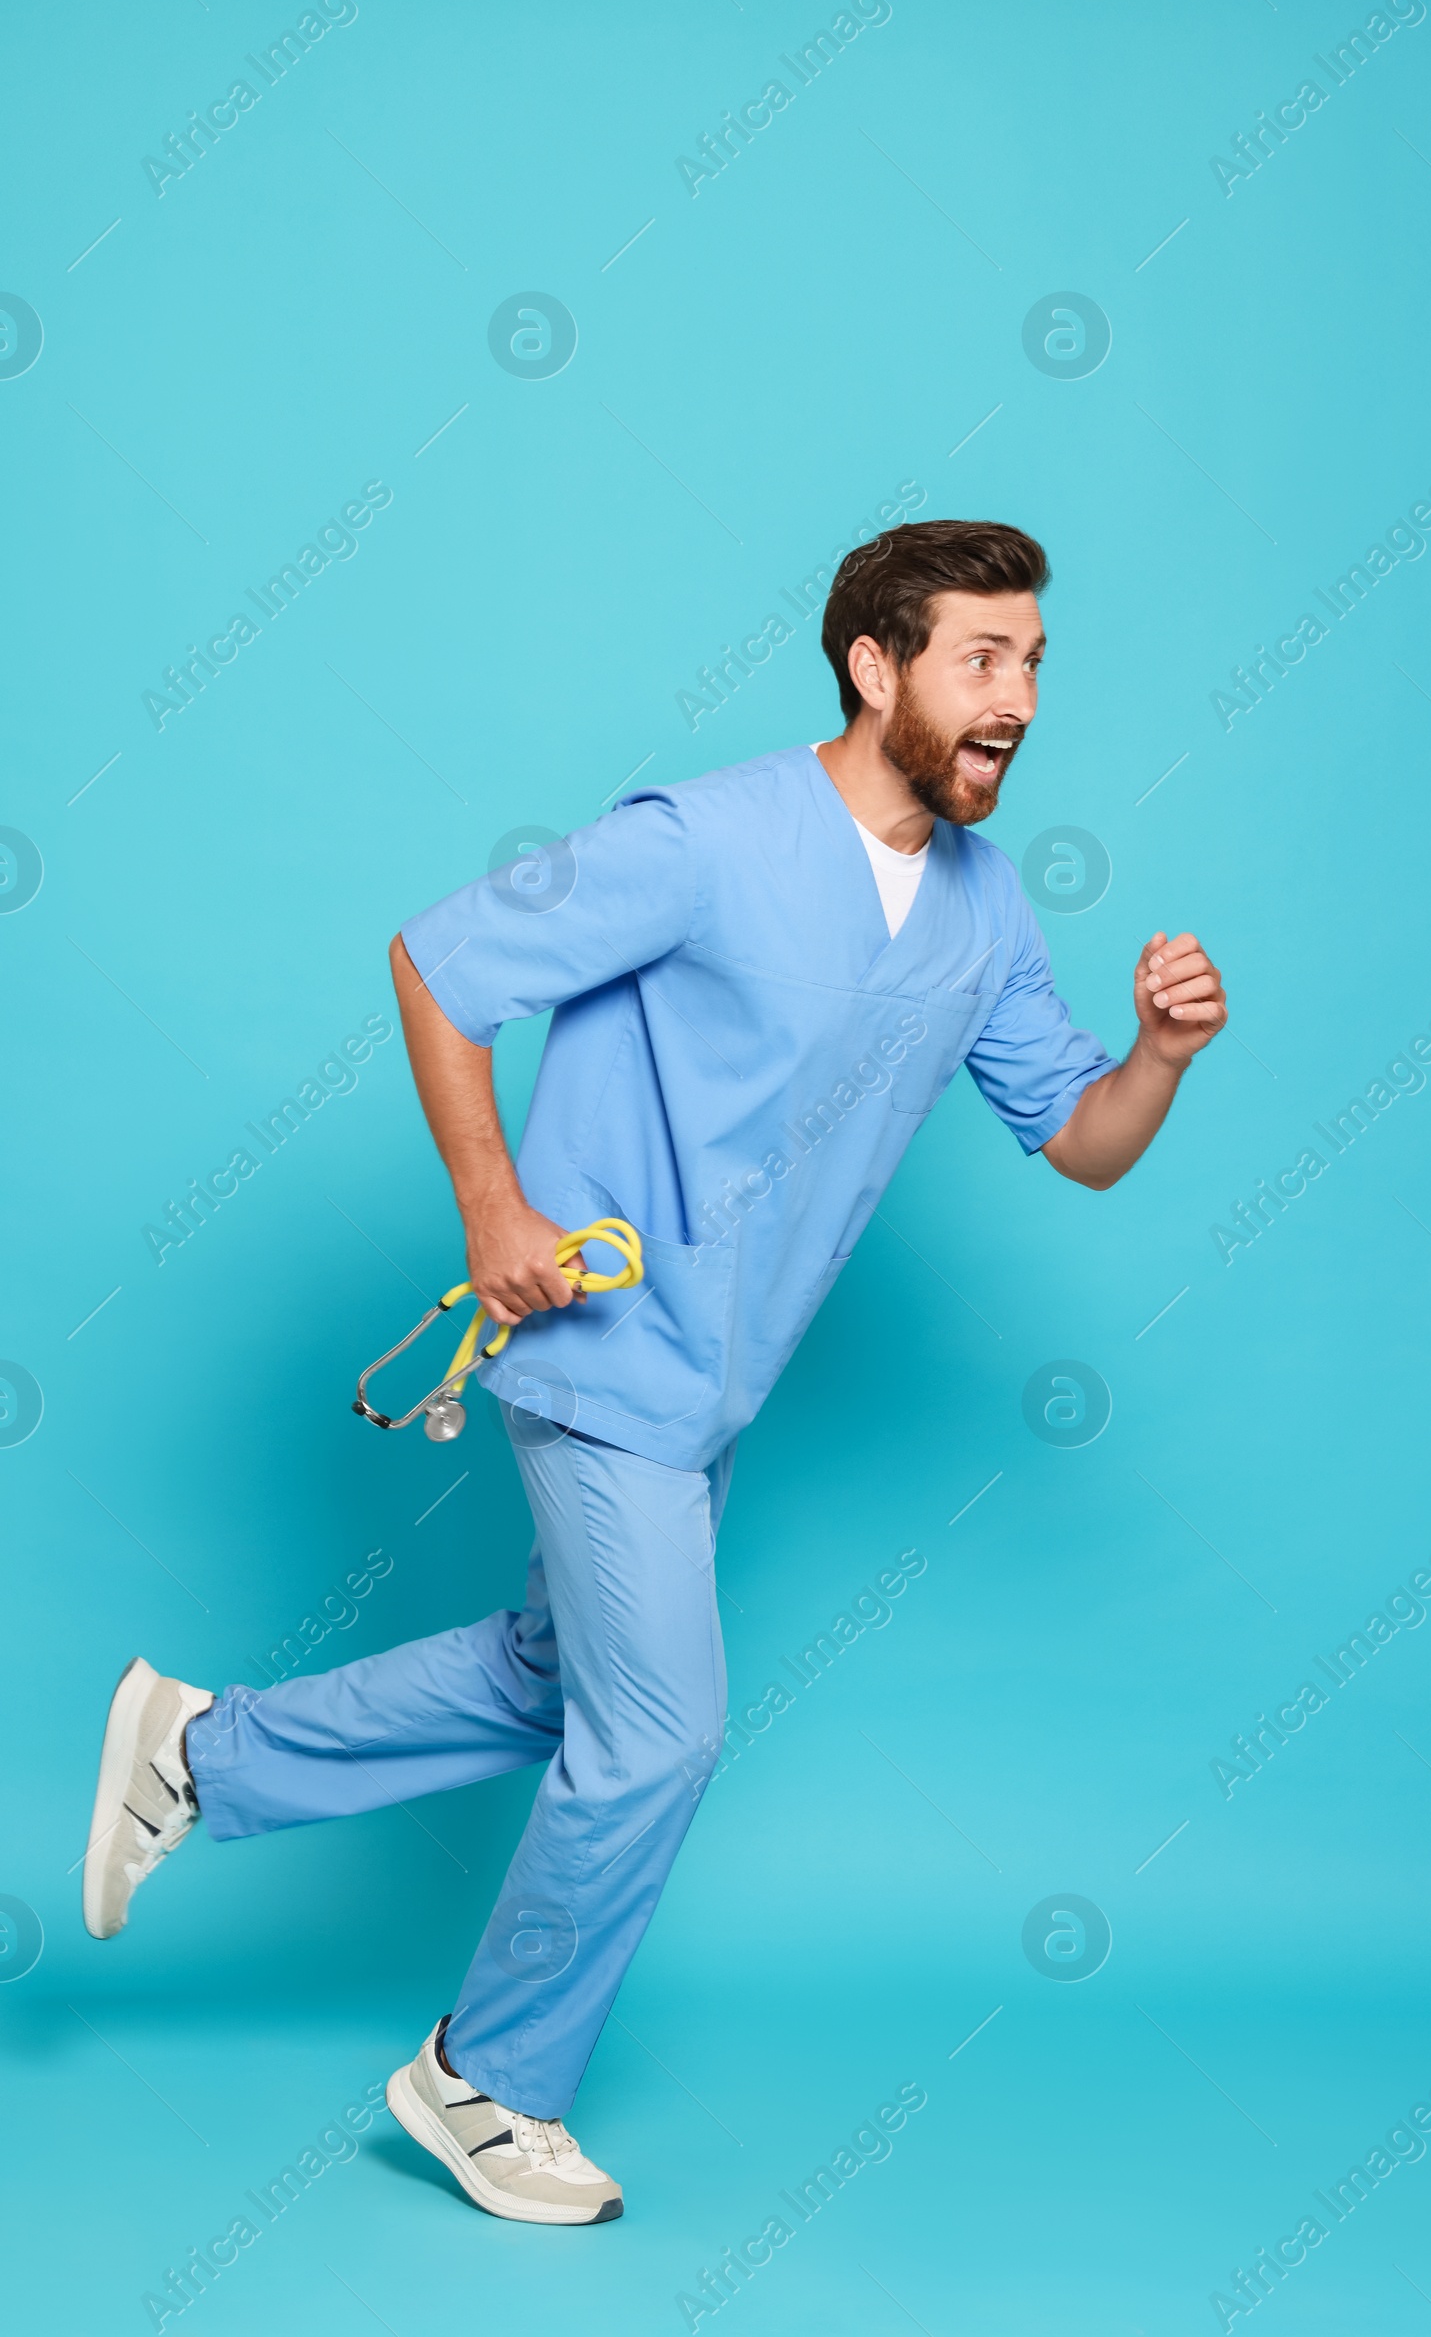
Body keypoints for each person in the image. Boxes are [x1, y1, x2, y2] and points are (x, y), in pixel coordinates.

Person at [81, 520, 1226, 2224]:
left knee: (562, 1679)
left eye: (1037, 662)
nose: (1023, 697)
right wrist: (495, 1207)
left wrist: (1161, 1055)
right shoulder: (698, 841)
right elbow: (438, 964)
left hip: (718, 1392)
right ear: (877, 664)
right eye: (986, 656)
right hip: (600, 1359)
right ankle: (484, 2082)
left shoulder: (985, 918)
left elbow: (1081, 1141)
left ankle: (203, 1753)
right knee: (662, 1734)